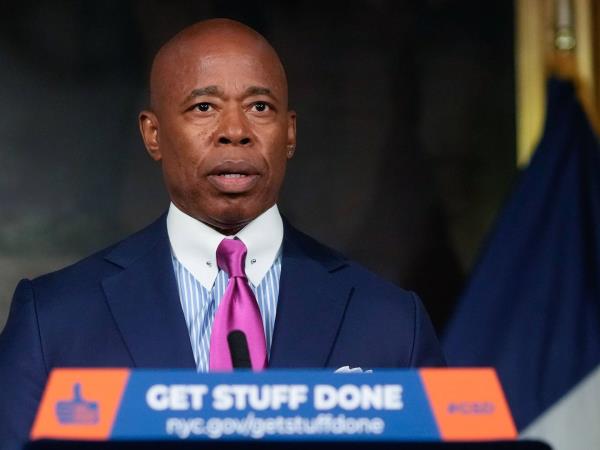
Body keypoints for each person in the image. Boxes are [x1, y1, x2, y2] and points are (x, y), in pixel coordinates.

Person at [0, 18, 444, 448]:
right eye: (204, 107)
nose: (235, 132)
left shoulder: (392, 323)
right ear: (153, 134)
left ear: (289, 133)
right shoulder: (54, 320)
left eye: (259, 107)